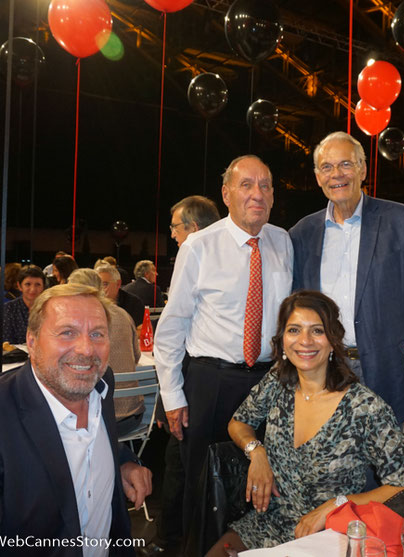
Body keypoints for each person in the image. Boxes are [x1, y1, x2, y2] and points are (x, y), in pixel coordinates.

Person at [0, 284, 153, 553]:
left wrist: (123, 462)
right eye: (67, 332)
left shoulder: (99, 384)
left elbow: (88, 436)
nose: (87, 349)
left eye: (97, 334)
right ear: (32, 341)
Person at [208, 291, 404, 554]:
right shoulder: (278, 382)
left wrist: (336, 504)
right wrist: (256, 452)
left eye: (317, 331)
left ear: (333, 341)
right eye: (294, 330)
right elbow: (239, 423)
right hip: (266, 525)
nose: (304, 341)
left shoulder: (365, 408)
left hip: (329, 535)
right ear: (283, 340)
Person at [153, 154, 293, 535]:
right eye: (246, 185)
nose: (257, 194)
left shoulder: (283, 241)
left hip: (267, 382)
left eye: (265, 185)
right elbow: (173, 326)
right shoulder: (198, 246)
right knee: (204, 487)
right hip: (210, 383)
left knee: (260, 487)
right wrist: (173, 396)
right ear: (226, 193)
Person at [289, 131, 404, 423]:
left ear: (363, 170)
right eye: (326, 167)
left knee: (383, 461)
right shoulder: (302, 233)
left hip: (385, 368)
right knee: (330, 462)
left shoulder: (400, 221)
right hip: (325, 368)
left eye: (346, 164)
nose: (336, 174)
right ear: (317, 177)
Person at [151, 195, 223, 554]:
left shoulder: (194, 252)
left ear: (193, 229)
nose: (173, 236)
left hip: (194, 385)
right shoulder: (208, 254)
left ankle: (172, 543)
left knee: (184, 470)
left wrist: (173, 396)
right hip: (190, 383)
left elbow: (174, 333)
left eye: (175, 229)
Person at [69, 269, 144, 436]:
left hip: (98, 419)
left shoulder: (80, 321)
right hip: (133, 415)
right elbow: (136, 357)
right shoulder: (124, 315)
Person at [1, 265, 46, 344]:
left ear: (43, 287)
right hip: (15, 354)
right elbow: (6, 340)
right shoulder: (9, 308)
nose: (33, 289)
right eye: (28, 284)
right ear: (19, 286)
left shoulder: (49, 308)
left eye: (37, 284)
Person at [95, 263, 144, 327]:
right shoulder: (92, 303)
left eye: (104, 284)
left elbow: (139, 330)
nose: (100, 289)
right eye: (97, 284)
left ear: (118, 284)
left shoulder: (134, 303)